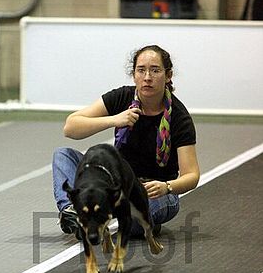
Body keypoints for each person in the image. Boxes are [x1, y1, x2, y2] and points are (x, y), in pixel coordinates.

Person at [52, 44, 200, 240]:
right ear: (134, 75)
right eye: (141, 70)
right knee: (64, 156)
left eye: (155, 70)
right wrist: (114, 120)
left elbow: (192, 175)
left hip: (154, 192)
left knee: (137, 219)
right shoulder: (122, 97)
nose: (147, 77)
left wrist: (167, 187)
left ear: (168, 75)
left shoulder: (179, 118)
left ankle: (141, 222)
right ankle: (73, 213)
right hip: (116, 185)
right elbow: (70, 127)